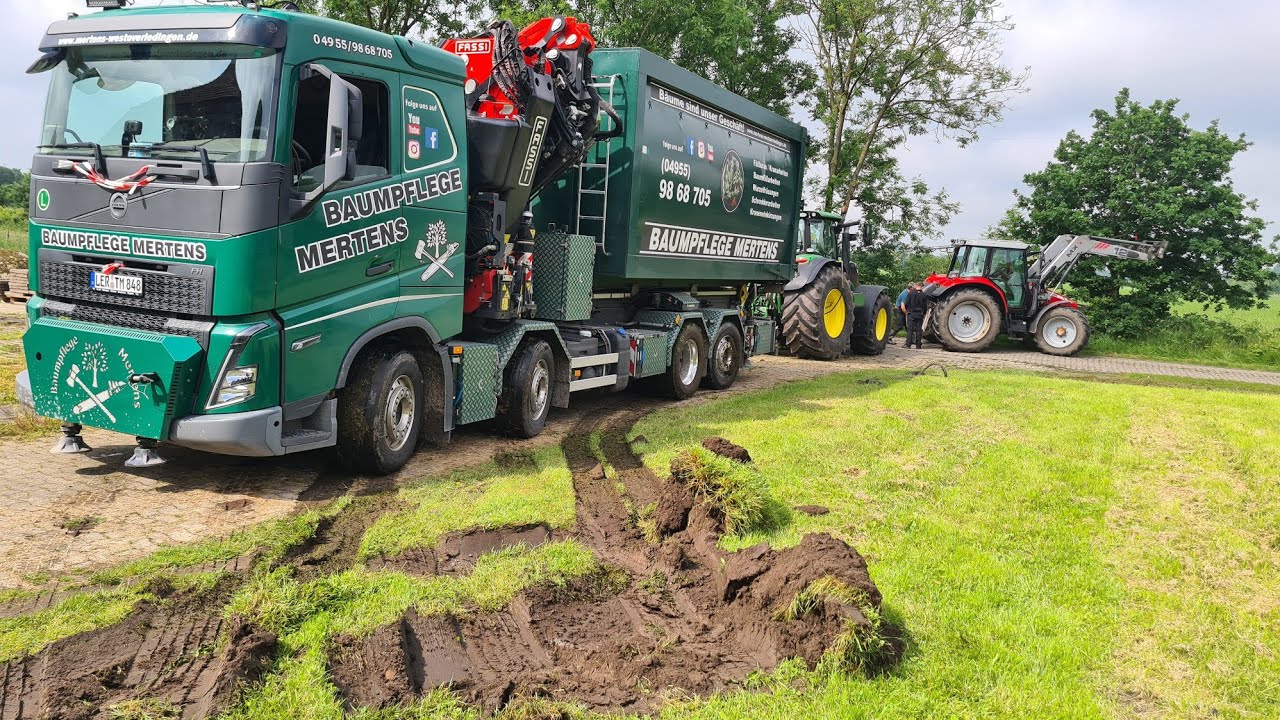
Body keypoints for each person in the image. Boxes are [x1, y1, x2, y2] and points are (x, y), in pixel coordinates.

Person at [906, 282, 929, 349]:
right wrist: (924, 313)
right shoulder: (924, 295)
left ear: (916, 286)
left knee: (910, 329)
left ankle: (908, 344)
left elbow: (907, 303)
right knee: (918, 330)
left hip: (911, 313)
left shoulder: (910, 293)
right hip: (920, 314)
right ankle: (918, 345)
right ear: (922, 287)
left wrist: (908, 310)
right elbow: (925, 306)